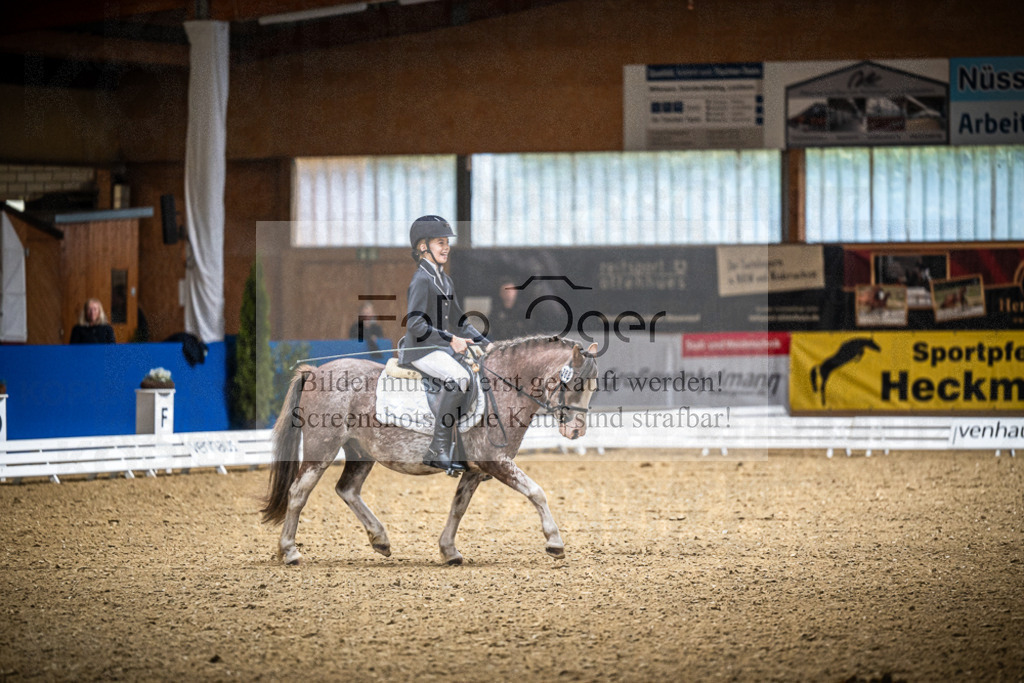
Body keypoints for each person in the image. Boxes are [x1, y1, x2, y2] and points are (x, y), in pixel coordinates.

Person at [400, 215, 492, 475]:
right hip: (420, 350)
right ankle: (437, 449)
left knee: (474, 378)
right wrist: (451, 339)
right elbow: (415, 325)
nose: (446, 247)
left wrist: (489, 345)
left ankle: (460, 451)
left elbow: (461, 322)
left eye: (447, 243)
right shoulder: (421, 280)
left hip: (438, 348)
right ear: (422, 247)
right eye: (440, 242)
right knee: (460, 377)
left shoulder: (445, 280)